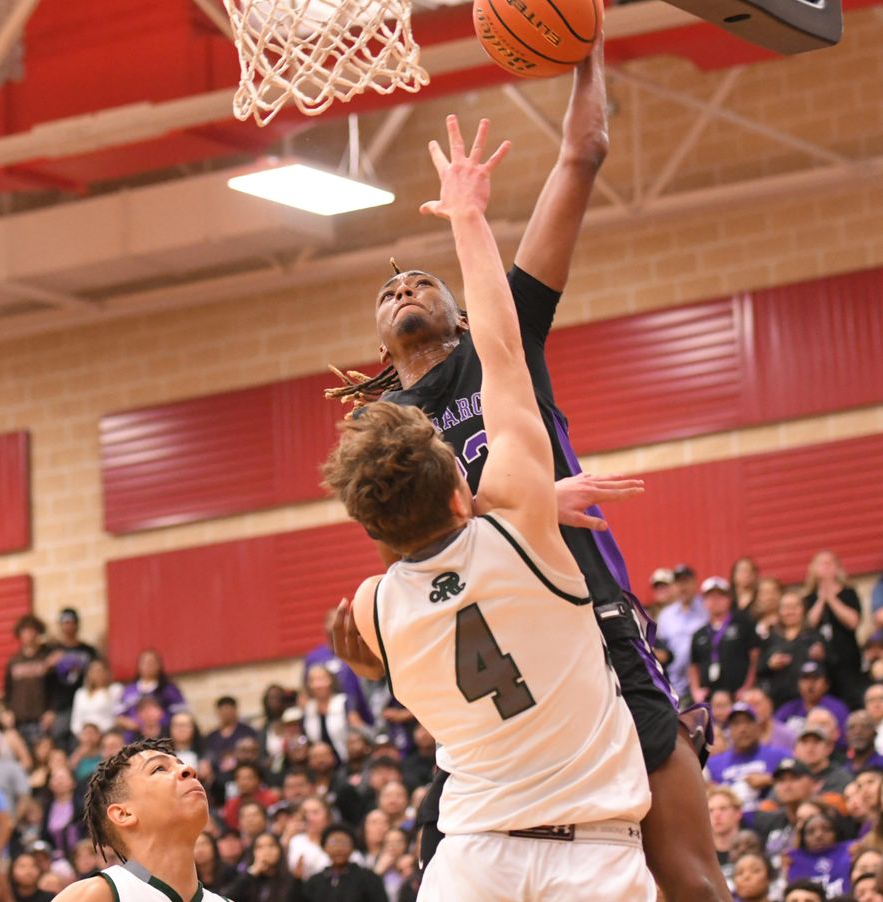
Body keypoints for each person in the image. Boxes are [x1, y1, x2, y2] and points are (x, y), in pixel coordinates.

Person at [325, 44, 726, 902]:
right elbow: (409, 562)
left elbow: (582, 156)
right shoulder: (376, 434)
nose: (403, 287)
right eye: (389, 289)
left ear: (464, 310)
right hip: (494, 668)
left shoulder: (502, 344)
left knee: (689, 878)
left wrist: (589, 49)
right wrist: (538, 500)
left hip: (594, 626)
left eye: (423, 279)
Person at [50, 737, 226, 901]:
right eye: (159, 768)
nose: (189, 770)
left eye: (181, 764)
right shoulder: (96, 895)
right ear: (123, 814)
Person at [803, 550, 863, 706]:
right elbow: (808, 624)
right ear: (813, 569)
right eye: (822, 564)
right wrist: (821, 599)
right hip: (821, 663)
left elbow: (853, 622)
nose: (826, 567)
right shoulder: (808, 597)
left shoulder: (848, 593)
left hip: (847, 660)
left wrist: (831, 598)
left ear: (838, 568)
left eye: (830, 563)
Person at [707, 703, 791, 812]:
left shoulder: (778, 755)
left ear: (757, 726)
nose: (742, 729)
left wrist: (771, 780)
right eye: (736, 724)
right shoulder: (713, 764)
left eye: (748, 722)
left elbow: (802, 778)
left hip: (767, 818)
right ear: (729, 730)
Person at [689, 576, 760, 702]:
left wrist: (747, 687)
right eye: (710, 597)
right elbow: (693, 666)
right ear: (703, 601)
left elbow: (755, 658)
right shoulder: (699, 634)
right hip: (709, 697)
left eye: (720, 596)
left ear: (729, 599)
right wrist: (696, 690)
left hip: (737, 695)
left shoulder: (743, 624)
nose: (715, 601)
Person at [759, 592, 826, 709]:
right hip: (779, 702)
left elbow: (831, 664)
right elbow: (759, 668)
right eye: (786, 607)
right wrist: (770, 664)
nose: (790, 611)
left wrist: (821, 656)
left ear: (803, 610)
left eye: (795, 607)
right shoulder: (770, 637)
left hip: (810, 702)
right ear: (779, 611)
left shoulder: (815, 635)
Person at [46, 609, 100, 744]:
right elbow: (45, 683)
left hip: (85, 703)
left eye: (71, 623)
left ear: (77, 625)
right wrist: (49, 709)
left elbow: (98, 674)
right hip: (61, 705)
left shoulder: (88, 650)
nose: (68, 627)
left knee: (83, 741)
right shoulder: (52, 651)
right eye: (65, 623)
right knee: (59, 739)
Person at [657, 564, 708, 704]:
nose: (682, 587)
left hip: (703, 682)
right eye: (678, 583)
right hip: (676, 683)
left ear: (694, 583)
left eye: (686, 581)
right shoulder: (665, 616)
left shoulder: (706, 609)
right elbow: (662, 648)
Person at [299, 824, 384, 902]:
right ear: (324, 848)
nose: (338, 848)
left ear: (353, 847)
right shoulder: (315, 882)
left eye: (344, 843)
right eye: (333, 842)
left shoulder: (368, 878)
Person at [4, 615, 54, 741]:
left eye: (33, 631)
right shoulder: (14, 661)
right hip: (19, 719)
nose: (29, 635)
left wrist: (51, 710)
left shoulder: (46, 658)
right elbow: (7, 690)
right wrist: (8, 711)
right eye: (25, 631)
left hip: (42, 718)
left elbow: (55, 688)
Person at [225, 831, 301, 902]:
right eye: (260, 847)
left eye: (271, 846)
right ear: (253, 853)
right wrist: (252, 872)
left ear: (279, 851)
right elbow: (225, 898)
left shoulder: (291, 881)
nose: (266, 851)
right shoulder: (247, 878)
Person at [69, 662, 121, 739]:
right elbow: (75, 721)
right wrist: (83, 735)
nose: (97, 674)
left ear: (106, 673)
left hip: (105, 734)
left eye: (99, 671)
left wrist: (98, 733)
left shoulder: (115, 690)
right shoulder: (80, 693)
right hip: (83, 737)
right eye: (93, 671)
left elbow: (116, 717)